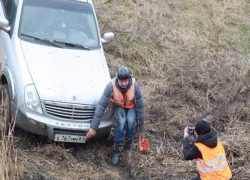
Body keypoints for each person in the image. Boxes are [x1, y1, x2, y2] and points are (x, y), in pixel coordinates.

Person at [86, 66, 145, 165]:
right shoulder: (110, 86)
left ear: (129, 78)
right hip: (119, 106)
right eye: (121, 81)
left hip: (131, 106)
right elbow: (101, 105)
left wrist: (140, 129)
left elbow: (140, 108)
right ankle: (117, 150)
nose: (124, 83)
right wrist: (93, 127)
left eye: (126, 81)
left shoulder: (135, 86)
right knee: (121, 123)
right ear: (117, 79)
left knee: (130, 122)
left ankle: (128, 146)